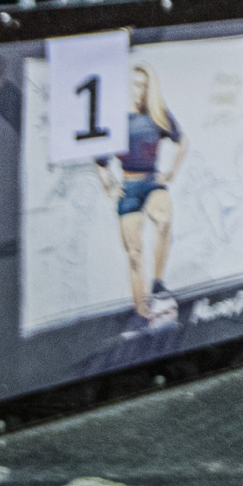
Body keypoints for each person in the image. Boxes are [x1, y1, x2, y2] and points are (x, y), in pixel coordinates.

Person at [94, 64, 187, 328]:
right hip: (129, 186)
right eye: (135, 85)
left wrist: (171, 172)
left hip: (152, 183)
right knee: (134, 254)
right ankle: (142, 313)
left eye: (144, 86)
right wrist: (109, 185)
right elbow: (100, 161)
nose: (140, 91)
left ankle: (158, 284)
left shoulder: (157, 115)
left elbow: (182, 142)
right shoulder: (116, 120)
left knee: (164, 218)